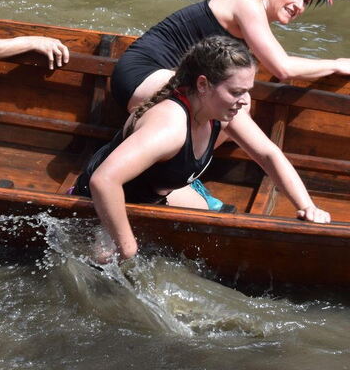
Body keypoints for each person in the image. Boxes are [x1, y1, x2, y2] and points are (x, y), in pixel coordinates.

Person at [75, 36, 330, 262]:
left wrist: (307, 206)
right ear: (203, 85)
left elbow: (268, 154)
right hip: (99, 204)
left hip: (157, 191)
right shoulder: (169, 127)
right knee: (110, 274)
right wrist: (127, 246)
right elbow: (105, 180)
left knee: (214, 239)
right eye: (236, 91)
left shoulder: (225, 112)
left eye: (247, 91)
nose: (245, 101)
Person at [111, 0, 349, 111]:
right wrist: (337, 64)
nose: (298, 5)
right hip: (143, 74)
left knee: (240, 104)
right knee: (234, 104)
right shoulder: (245, 5)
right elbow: (283, 68)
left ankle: (183, 170)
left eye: (305, 1)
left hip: (166, 81)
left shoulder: (253, 26)